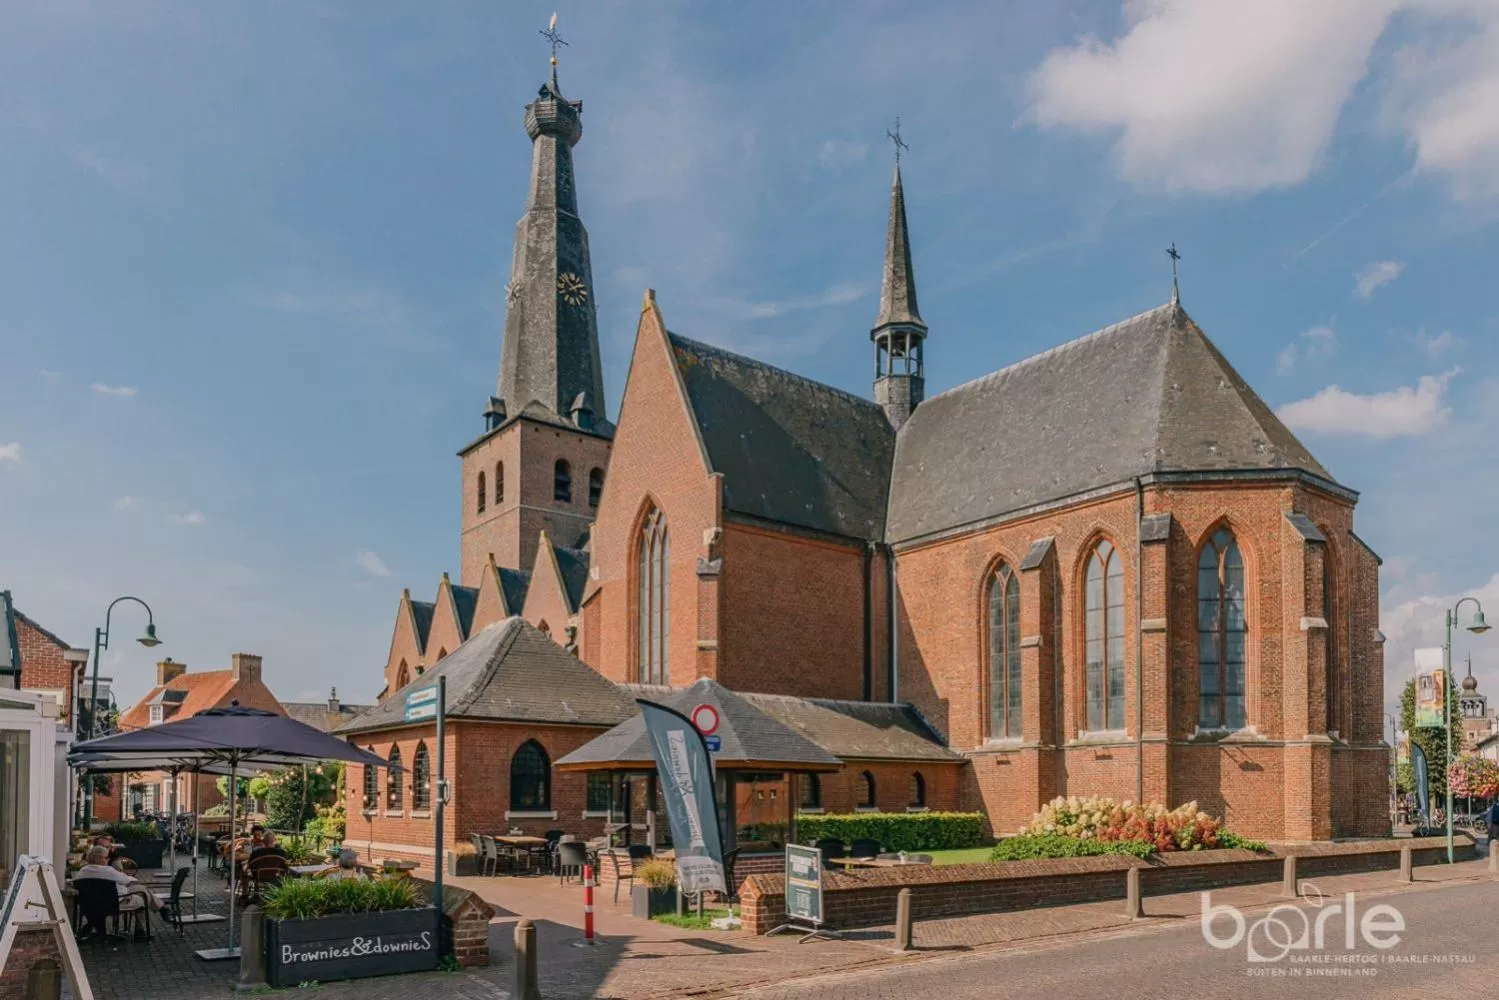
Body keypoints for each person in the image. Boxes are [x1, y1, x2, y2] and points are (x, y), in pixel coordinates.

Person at [75, 845, 163, 913]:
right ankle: (141, 931)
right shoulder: (108, 871)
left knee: (142, 889)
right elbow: (129, 880)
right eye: (106, 858)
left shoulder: (82, 871)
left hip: (90, 904)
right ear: (98, 858)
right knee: (143, 898)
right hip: (114, 903)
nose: (108, 860)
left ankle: (161, 908)